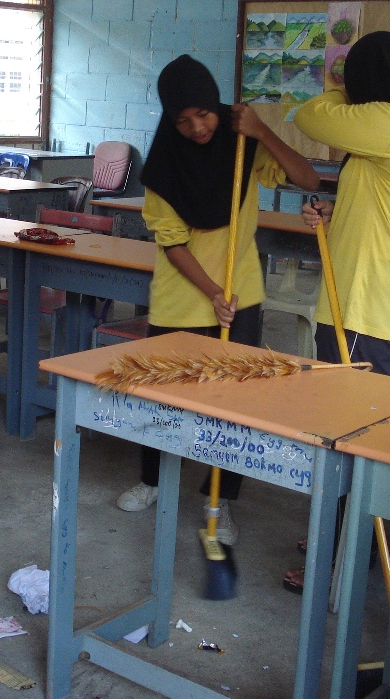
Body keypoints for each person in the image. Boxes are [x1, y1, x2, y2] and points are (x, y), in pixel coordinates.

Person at [114, 54, 319, 546]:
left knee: (233, 405)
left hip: (242, 293)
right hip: (181, 299)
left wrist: (262, 131)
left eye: (204, 115)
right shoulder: (163, 167)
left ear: (216, 107)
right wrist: (211, 292)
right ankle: (152, 480)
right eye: (183, 121)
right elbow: (173, 242)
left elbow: (308, 180)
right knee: (163, 398)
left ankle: (220, 498)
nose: (197, 128)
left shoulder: (244, 144)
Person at [283, 30, 390, 593]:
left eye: (354, 74)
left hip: (367, 309)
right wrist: (334, 214)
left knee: (343, 437)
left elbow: (309, 115)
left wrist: (335, 86)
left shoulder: (389, 120)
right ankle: (337, 541)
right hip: (374, 302)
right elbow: (384, 206)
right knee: (350, 432)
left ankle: (334, 561)